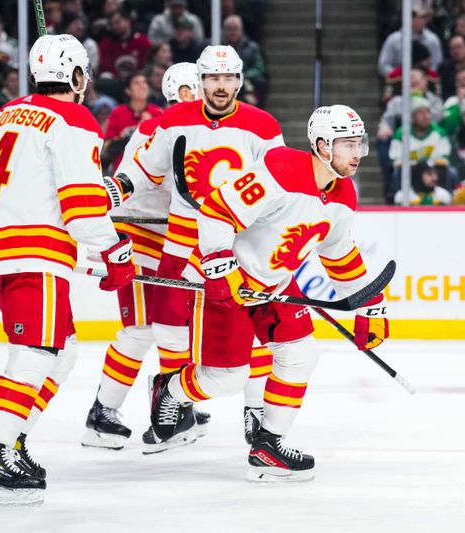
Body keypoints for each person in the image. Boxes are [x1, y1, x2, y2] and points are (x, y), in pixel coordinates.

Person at [147, 105, 388, 481]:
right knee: (227, 378)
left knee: (302, 352)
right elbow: (215, 212)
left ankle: (268, 446)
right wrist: (221, 268)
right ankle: (171, 389)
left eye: (360, 143)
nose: (358, 153)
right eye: (348, 144)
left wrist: (371, 307)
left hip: (272, 286)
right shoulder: (281, 169)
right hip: (225, 283)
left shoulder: (344, 195)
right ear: (323, 145)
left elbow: (339, 255)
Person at [0, 34, 135, 506]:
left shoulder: (10, 110)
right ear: (78, 77)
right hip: (33, 252)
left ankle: (12, 439)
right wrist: (114, 251)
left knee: (61, 354)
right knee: (37, 353)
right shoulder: (75, 118)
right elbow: (80, 210)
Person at [115, 45, 285, 451]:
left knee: (254, 331)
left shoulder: (262, 126)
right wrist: (115, 189)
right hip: (181, 240)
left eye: (228, 79)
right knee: (168, 329)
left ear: (239, 81)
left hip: (234, 246)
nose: (221, 87)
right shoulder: (174, 120)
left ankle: (256, 411)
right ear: (201, 81)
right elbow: (144, 169)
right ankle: (177, 407)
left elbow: (279, 182)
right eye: (213, 79)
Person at [82, 62, 204, 450]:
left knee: (175, 326)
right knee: (141, 330)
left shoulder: (194, 127)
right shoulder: (158, 128)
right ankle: (103, 413)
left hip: (169, 241)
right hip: (137, 235)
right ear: (184, 92)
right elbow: (138, 182)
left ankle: (174, 406)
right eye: (199, 87)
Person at [102, 72, 163, 173]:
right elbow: (108, 148)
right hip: (122, 171)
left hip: (150, 172)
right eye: (136, 83)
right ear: (128, 90)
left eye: (144, 82)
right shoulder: (118, 112)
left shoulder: (157, 113)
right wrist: (130, 133)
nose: (142, 86)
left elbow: (162, 146)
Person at [378, 7, 442, 77]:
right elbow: (383, 65)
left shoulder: (432, 39)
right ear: (410, 19)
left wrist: (423, 77)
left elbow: (437, 64)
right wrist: (399, 75)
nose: (424, 21)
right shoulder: (393, 40)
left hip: (425, 81)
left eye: (425, 18)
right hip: (399, 81)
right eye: (421, 18)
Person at [222, 14, 267, 107]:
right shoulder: (217, 47)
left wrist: (243, 75)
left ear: (241, 30)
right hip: (223, 80)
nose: (232, 32)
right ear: (224, 31)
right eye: (229, 29)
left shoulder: (252, 48)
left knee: (260, 82)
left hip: (245, 80)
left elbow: (258, 68)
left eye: (235, 29)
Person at [98, 9, 151, 80]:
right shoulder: (106, 44)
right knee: (105, 76)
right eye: (112, 24)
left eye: (117, 22)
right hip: (116, 81)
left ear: (128, 21)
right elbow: (105, 66)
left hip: (138, 78)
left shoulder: (142, 41)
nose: (114, 26)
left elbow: (147, 63)